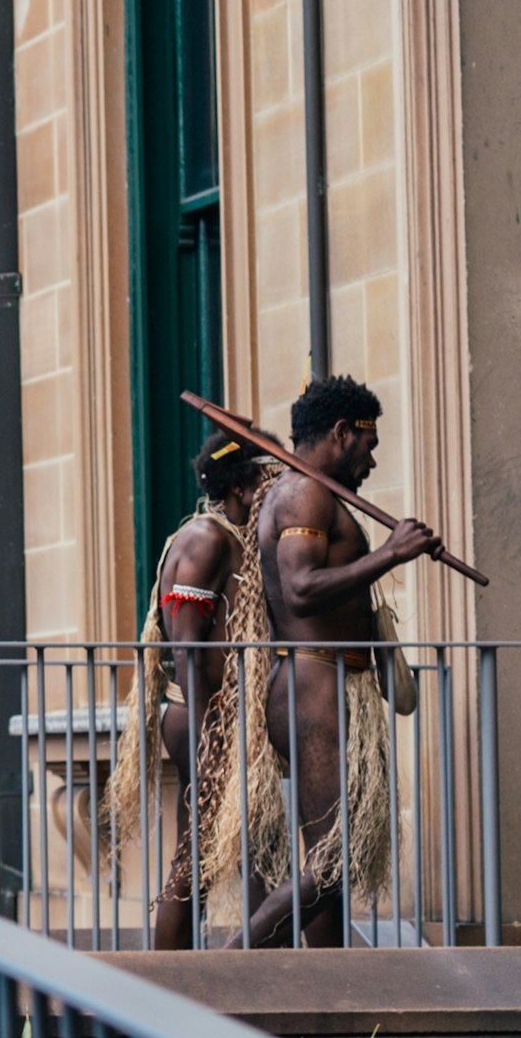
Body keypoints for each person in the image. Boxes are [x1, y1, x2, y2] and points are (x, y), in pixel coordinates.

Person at [244, 373, 436, 949]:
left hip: (320, 678)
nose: (371, 464)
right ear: (342, 432)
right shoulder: (306, 493)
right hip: (315, 681)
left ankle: (331, 987)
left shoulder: (300, 491)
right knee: (334, 858)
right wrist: (391, 553)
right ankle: (220, 972)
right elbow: (301, 588)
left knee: (329, 861)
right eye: (369, 447)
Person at [116, 435, 273, 947]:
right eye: (268, 480)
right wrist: (211, 742)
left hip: (216, 719)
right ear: (241, 488)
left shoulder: (226, 536)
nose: (277, 491)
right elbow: (186, 647)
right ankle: (189, 982)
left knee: (226, 852)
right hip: (203, 719)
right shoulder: (206, 538)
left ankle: (229, 976)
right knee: (205, 855)